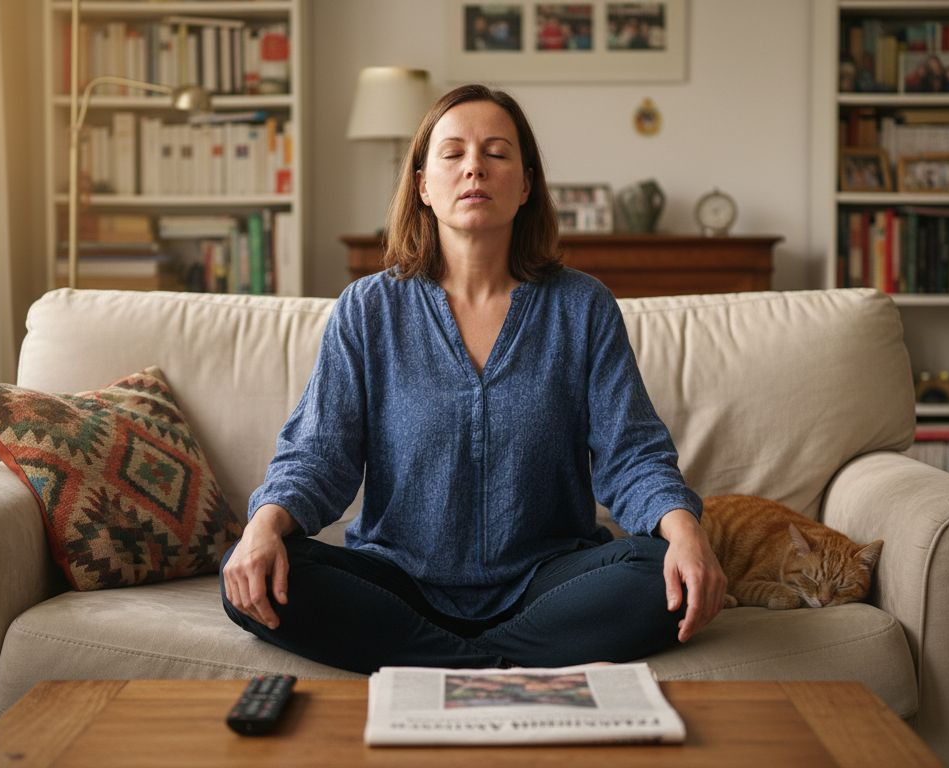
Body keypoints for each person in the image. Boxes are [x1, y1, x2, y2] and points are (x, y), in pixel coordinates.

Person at [220, 84, 725, 674]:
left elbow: (632, 453)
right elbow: (318, 455)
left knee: (653, 570)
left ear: (527, 183)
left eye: (496, 153)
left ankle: (434, 665)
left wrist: (686, 532)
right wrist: (263, 526)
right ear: (424, 186)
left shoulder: (583, 308)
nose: (474, 168)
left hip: (549, 580)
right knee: (255, 578)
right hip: (398, 580)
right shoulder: (367, 309)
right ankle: (501, 664)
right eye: (453, 153)